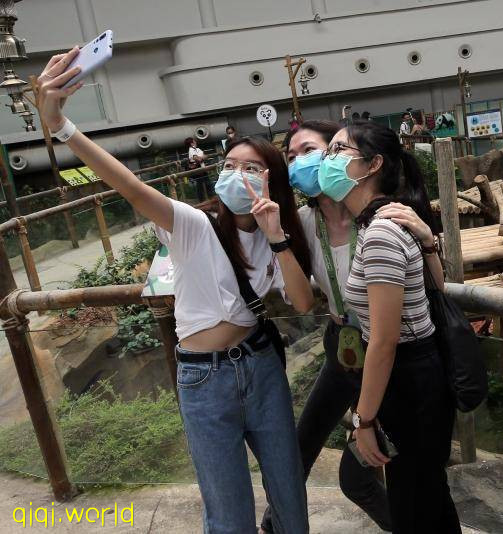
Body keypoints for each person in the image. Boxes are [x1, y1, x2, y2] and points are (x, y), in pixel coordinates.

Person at [38, 47, 313, 534]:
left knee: (289, 493)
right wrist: (62, 127)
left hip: (261, 366)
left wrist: (278, 238)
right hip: (205, 380)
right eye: (230, 164)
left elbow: (303, 301)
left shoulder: (281, 232)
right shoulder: (193, 224)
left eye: (251, 168)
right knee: (228, 513)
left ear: (273, 179)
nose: (236, 174)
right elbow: (129, 185)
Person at [317, 121, 461, 533]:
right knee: (428, 498)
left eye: (338, 150)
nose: (327, 160)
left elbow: (383, 339)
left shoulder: (380, 231)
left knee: (414, 506)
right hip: (420, 378)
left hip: (411, 383)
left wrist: (364, 422)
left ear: (372, 164)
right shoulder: (382, 222)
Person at [261, 119, 395, 533]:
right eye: (292, 155)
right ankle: (273, 526)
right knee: (297, 451)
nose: (301, 161)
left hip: (386, 348)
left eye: (311, 150)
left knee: (357, 477)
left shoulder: (379, 215)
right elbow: (300, 298)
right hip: (342, 342)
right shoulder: (301, 221)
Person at [185, 136, 210, 201]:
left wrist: (201, 158)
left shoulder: (197, 149)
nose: (195, 142)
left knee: (207, 185)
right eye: (194, 141)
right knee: (200, 187)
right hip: (198, 171)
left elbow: (206, 156)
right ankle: (203, 201)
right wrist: (202, 158)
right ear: (191, 143)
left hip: (203, 170)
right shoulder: (191, 150)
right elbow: (198, 159)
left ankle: (209, 199)